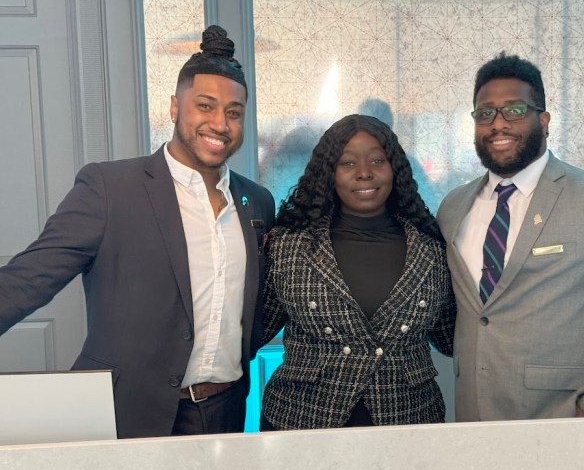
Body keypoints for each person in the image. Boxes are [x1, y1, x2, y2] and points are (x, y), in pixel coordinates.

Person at [0, 26, 275, 438]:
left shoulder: (257, 201)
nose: (220, 123)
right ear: (174, 107)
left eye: (233, 112)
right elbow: (28, 279)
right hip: (126, 413)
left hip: (225, 411)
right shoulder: (110, 189)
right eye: (205, 106)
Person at [437, 52, 584, 421]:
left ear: (544, 120)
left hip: (566, 421)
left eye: (515, 110)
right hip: (474, 420)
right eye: (485, 113)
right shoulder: (454, 209)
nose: (498, 124)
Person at [259, 114, 456, 430]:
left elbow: (450, 340)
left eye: (377, 160)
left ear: (395, 169)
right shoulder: (288, 246)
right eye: (348, 163)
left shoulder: (432, 250)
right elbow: (253, 332)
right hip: (301, 423)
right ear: (330, 174)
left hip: (409, 422)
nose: (364, 173)